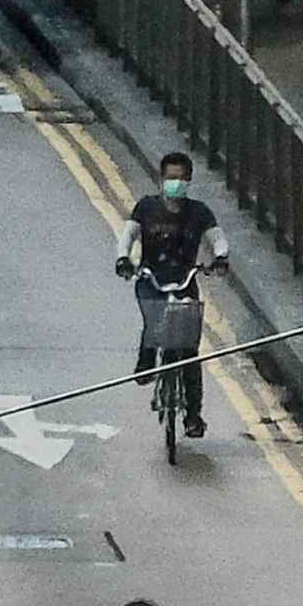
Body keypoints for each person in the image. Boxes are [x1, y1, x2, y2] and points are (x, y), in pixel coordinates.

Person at [117, 151, 231, 436]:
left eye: (180, 179)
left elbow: (217, 239)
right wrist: (123, 258)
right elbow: (128, 235)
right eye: (170, 178)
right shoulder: (146, 208)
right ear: (161, 179)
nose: (175, 183)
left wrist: (220, 257)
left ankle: (193, 416)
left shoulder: (199, 212)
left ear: (189, 181)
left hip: (184, 282)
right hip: (151, 281)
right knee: (155, 318)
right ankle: (147, 357)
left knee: (189, 352)